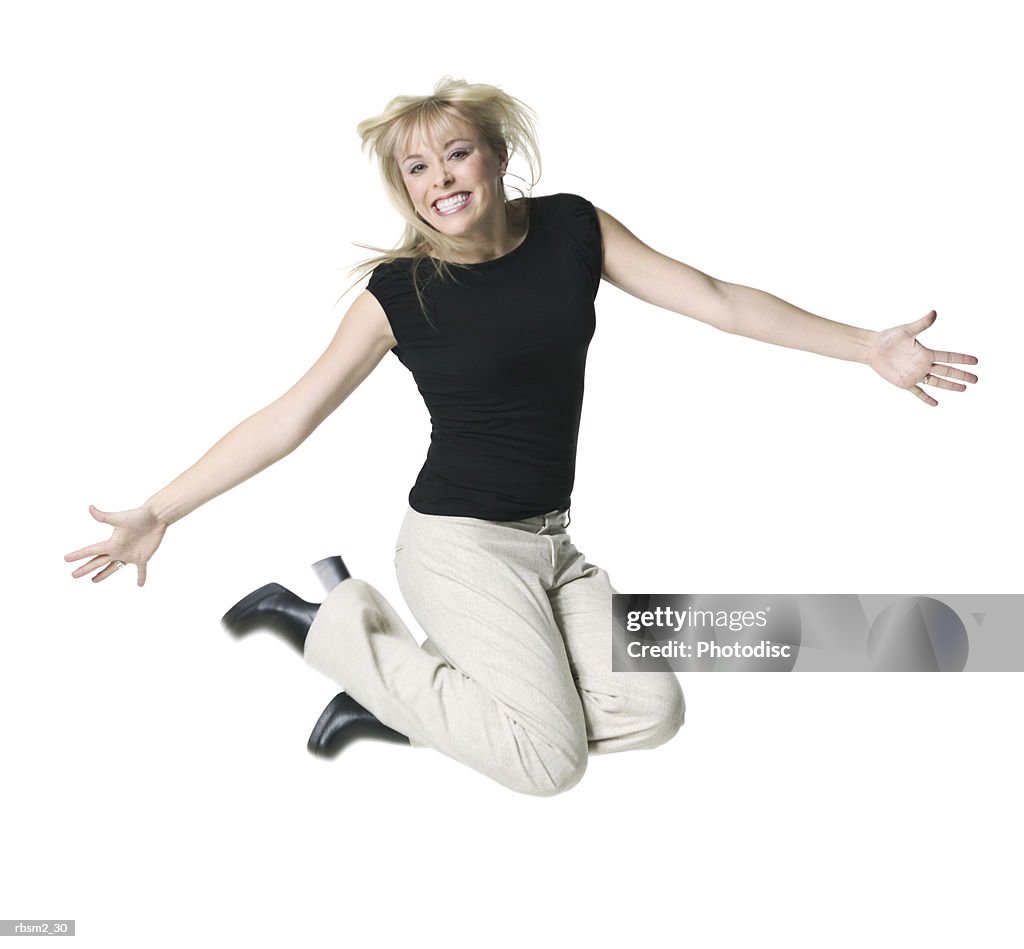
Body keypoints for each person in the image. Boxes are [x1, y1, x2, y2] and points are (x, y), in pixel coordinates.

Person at [64, 77, 978, 797]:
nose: (440, 180)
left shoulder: (573, 229)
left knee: (652, 710)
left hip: (553, 542)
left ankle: (394, 703)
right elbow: (285, 420)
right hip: (456, 544)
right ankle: (322, 621)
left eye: (456, 154)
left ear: (499, 157)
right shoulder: (397, 294)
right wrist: (159, 511)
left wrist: (864, 345)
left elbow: (718, 299)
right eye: (416, 170)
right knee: (550, 762)